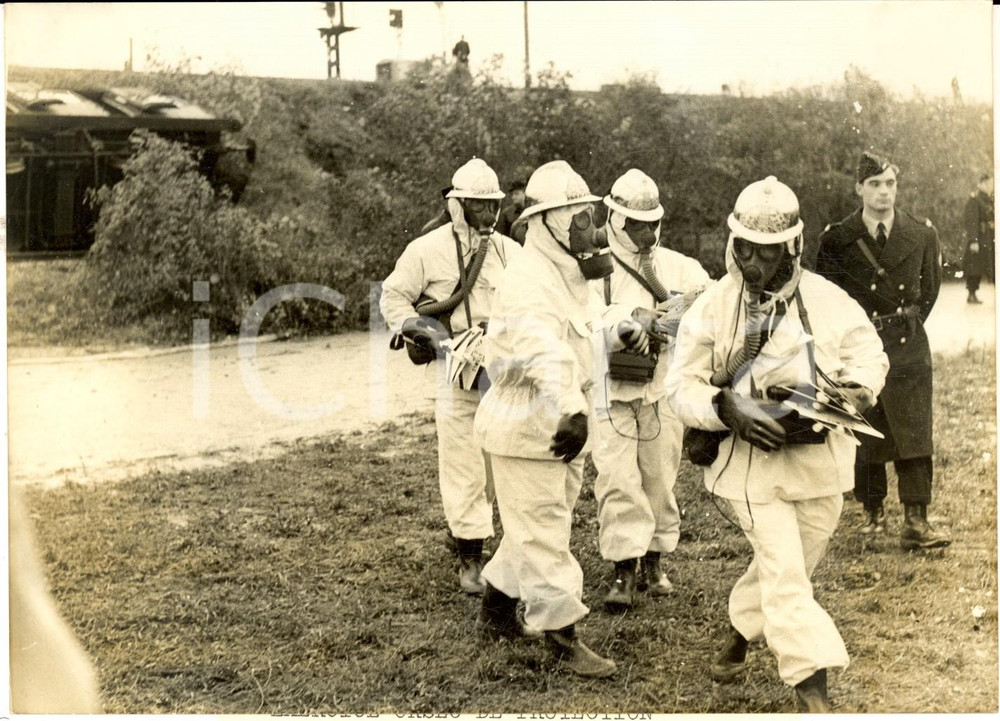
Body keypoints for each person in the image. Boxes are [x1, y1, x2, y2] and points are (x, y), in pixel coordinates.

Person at [666, 176, 889, 712]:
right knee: (787, 575)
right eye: (745, 249)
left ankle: (741, 629)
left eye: (768, 252)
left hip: (819, 464)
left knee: (790, 563)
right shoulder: (714, 306)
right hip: (749, 469)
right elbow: (680, 387)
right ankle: (813, 692)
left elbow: (869, 355)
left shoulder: (828, 300)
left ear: (793, 246)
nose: (754, 263)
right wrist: (725, 406)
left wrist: (858, 390)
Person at [473, 160, 650, 677]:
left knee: (534, 524)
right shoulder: (527, 280)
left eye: (590, 217)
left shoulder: (566, 273)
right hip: (530, 424)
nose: (591, 230)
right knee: (544, 530)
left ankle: (496, 610)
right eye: (579, 219)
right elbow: (542, 349)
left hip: (560, 425)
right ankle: (561, 636)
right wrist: (573, 409)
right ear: (545, 222)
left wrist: (620, 327)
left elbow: (588, 320)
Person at [380, 158, 522, 594]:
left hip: (499, 369)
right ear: (458, 205)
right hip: (453, 368)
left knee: (496, 460)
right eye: (479, 205)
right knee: (463, 462)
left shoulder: (510, 252)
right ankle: (470, 558)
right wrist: (416, 327)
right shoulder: (427, 249)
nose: (489, 213)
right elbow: (393, 296)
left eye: (493, 205)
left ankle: (468, 532)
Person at [815, 151, 951, 548]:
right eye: (874, 184)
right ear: (859, 188)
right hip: (860, 346)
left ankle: (916, 519)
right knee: (865, 427)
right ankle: (872, 513)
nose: (884, 192)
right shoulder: (837, 238)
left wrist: (903, 323)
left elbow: (930, 290)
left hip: (907, 344)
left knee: (914, 429)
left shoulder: (922, 233)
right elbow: (827, 295)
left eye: (890, 183)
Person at [590, 168, 710, 611]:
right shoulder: (594, 267)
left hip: (663, 388)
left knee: (659, 474)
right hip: (611, 389)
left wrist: (671, 319)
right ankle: (623, 568)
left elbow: (710, 307)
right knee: (617, 477)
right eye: (636, 225)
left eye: (652, 224)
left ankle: (654, 560)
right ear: (615, 220)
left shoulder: (680, 266)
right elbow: (582, 317)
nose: (646, 234)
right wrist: (628, 321)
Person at [962, 171, 994, 304]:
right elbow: (972, 221)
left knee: (988, 266)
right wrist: (973, 240)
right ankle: (971, 293)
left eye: (989, 184)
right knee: (974, 267)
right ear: (980, 184)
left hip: (989, 238)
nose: (988, 186)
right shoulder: (975, 199)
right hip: (979, 238)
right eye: (985, 184)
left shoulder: (990, 199)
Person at [496, 177, 528, 244]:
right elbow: (501, 236)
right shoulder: (506, 213)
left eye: (516, 194)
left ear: (524, 193)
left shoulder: (532, 210)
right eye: (512, 194)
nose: (513, 197)